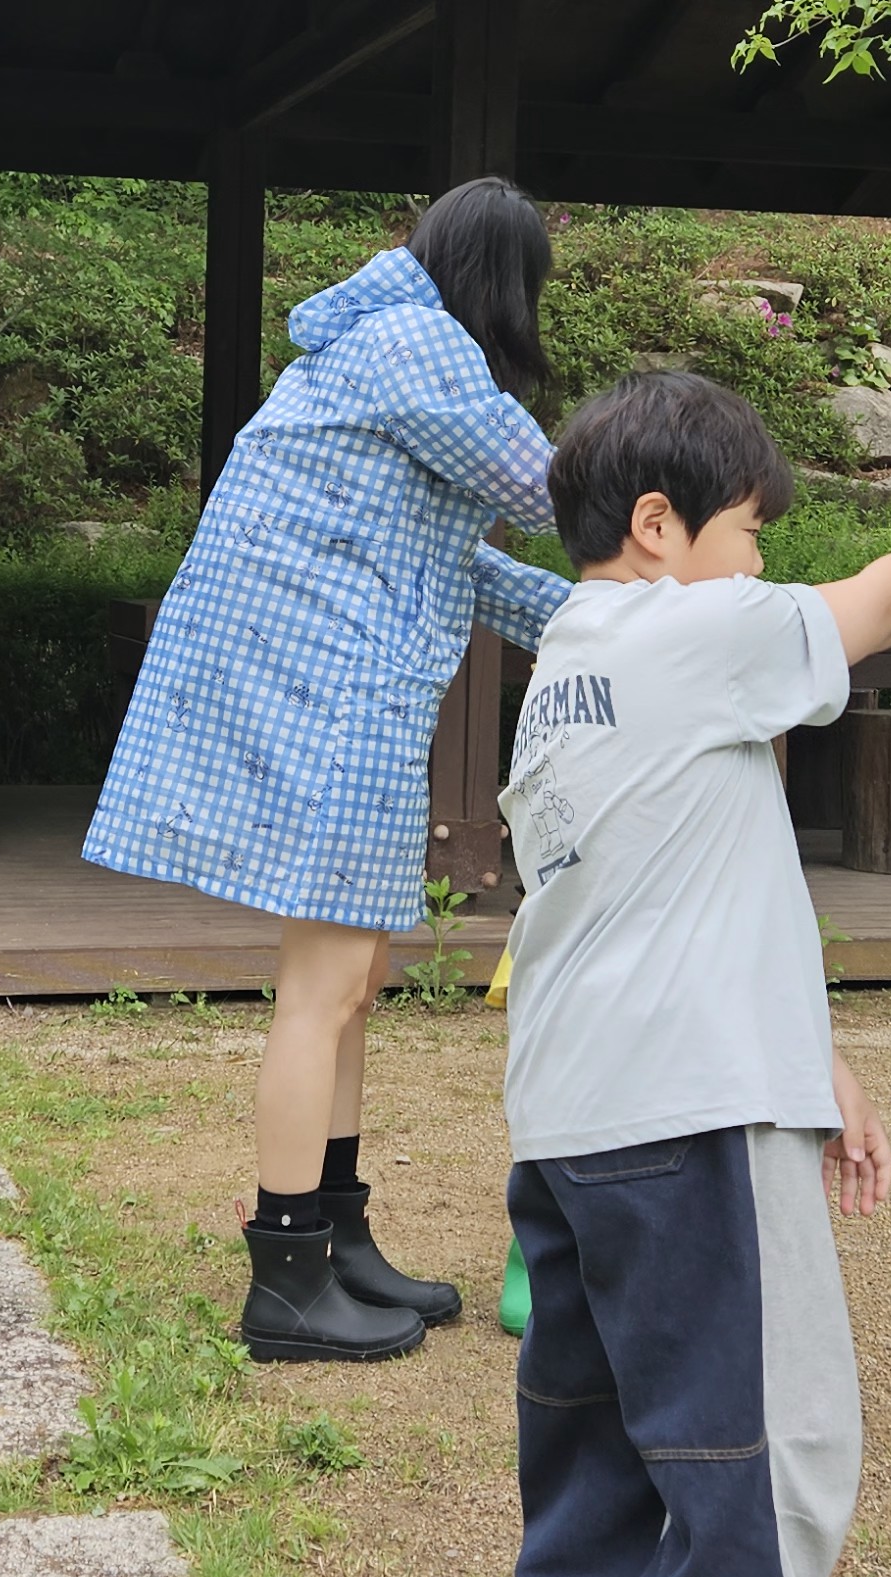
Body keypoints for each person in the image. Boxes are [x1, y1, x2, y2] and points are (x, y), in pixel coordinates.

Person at [498, 371, 891, 1577]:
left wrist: (816, 1064)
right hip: (689, 1121)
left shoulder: (563, 672)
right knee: (767, 1450)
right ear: (660, 526)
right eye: (753, 534)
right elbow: (878, 600)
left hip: (571, 1122)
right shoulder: (684, 633)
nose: (763, 565)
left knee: (604, 1446)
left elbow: (681, 897)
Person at [84, 177, 574, 1361]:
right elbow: (546, 490)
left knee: (351, 985)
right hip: (320, 691)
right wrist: (676, 541)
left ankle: (337, 1237)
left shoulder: (390, 349)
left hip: (343, 688)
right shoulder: (414, 345)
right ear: (502, 283)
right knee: (319, 990)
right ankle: (287, 1279)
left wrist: (620, 624)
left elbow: (466, 565)